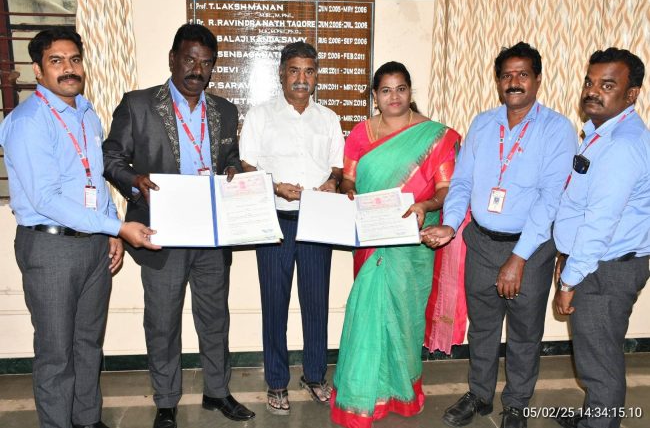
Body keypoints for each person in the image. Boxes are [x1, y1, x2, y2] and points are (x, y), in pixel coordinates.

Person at [0, 27, 158, 428]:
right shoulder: (28, 121)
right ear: (38, 70)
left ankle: (87, 419)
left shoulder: (86, 113)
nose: (68, 69)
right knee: (56, 352)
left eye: (74, 59)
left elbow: (93, 179)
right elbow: (46, 199)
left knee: (88, 343)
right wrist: (117, 226)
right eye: (56, 61)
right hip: (50, 247)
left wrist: (108, 232)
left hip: (92, 246)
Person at [102, 24, 254, 427]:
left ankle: (217, 392)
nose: (196, 70)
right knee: (163, 320)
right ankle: (166, 401)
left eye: (205, 63)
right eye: (189, 59)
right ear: (173, 58)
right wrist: (134, 182)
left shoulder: (224, 111)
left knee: (215, 317)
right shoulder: (138, 104)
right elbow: (111, 158)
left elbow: (229, 158)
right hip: (161, 232)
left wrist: (234, 169)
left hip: (211, 233)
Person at [421, 42, 577, 428]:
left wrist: (519, 257)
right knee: (483, 327)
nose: (514, 82)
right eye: (507, 75)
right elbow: (462, 182)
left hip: (531, 249)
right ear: (498, 81)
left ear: (537, 79)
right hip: (481, 242)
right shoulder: (482, 124)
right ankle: (479, 394)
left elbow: (551, 199)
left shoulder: (557, 129)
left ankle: (517, 404)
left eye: (523, 74)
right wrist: (450, 223)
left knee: (524, 332)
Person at [330, 61, 463, 428]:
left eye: (401, 89)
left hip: (412, 241)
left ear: (410, 92)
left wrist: (425, 206)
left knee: (404, 317)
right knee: (367, 311)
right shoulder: (360, 133)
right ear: (375, 96)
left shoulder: (435, 136)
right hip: (371, 236)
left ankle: (400, 392)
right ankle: (363, 395)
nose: (394, 97)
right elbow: (348, 179)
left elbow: (445, 190)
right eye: (385, 90)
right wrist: (349, 192)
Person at [238, 41, 344, 415]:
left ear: (316, 76)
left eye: (309, 71)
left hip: (316, 222)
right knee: (275, 305)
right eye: (294, 70)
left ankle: (314, 376)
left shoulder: (328, 118)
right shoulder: (260, 115)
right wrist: (274, 186)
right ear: (281, 73)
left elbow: (337, 165)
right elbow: (247, 164)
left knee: (316, 303)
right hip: (275, 223)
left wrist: (332, 181)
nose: (302, 78)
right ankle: (277, 382)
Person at [552, 48, 649, 428]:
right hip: (598, 262)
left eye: (607, 85)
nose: (593, 91)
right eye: (590, 82)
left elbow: (599, 224)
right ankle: (594, 419)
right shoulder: (602, 133)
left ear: (631, 94)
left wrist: (569, 280)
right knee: (595, 355)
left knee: (599, 365)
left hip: (605, 270)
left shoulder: (622, 145)